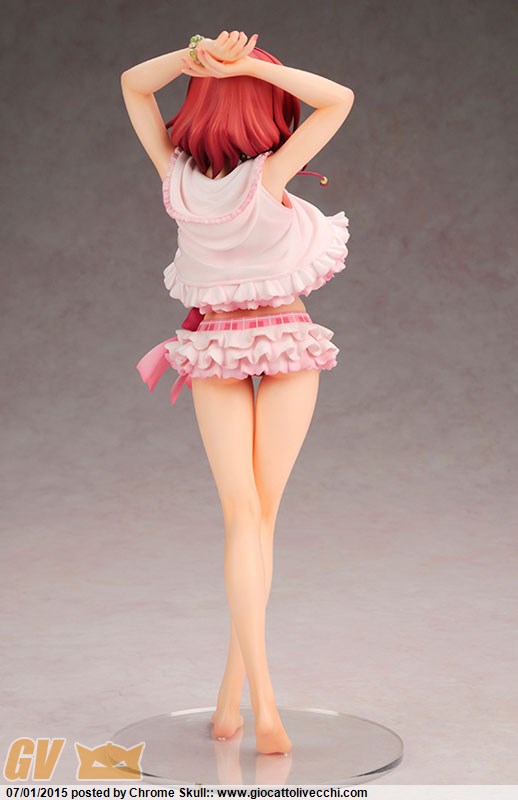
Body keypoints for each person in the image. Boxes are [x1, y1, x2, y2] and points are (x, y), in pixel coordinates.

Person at [120, 30, 354, 756]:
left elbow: (133, 84)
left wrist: (196, 61)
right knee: (258, 518)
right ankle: (265, 706)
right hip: (284, 338)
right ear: (264, 106)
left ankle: (231, 699)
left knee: (243, 517)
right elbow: (338, 99)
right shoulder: (268, 176)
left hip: (217, 346)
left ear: (201, 103)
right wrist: (245, 63)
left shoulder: (177, 179)